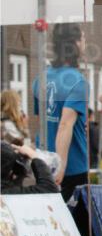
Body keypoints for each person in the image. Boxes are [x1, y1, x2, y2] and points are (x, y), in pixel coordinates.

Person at [32, 23, 88, 201]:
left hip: (42, 164)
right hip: (71, 169)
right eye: (83, 38)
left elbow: (41, 121)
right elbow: (64, 125)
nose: (85, 42)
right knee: (75, 226)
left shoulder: (40, 78)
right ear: (76, 44)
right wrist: (60, 167)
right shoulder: (78, 81)